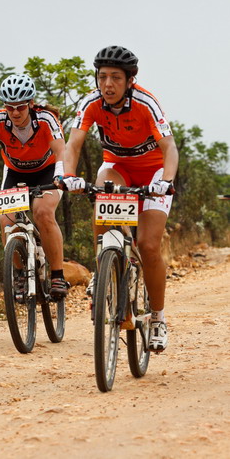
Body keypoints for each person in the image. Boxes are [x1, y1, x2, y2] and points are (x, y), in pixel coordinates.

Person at [62, 45, 179, 352]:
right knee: (103, 196)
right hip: (118, 168)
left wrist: (165, 182)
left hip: (153, 173)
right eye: (102, 77)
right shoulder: (91, 102)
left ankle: (157, 317)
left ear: (130, 80)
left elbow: (170, 148)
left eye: (115, 77)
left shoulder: (145, 102)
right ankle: (103, 270)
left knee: (149, 246)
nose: (107, 84)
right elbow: (73, 144)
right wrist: (68, 175)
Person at [0, 73, 68, 298]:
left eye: (20, 107)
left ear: (31, 104)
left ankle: (58, 275)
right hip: (14, 172)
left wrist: (60, 177)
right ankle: (20, 274)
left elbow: (62, 151)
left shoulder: (46, 119)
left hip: (47, 172)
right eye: (9, 107)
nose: (14, 112)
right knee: (6, 219)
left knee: (42, 212)